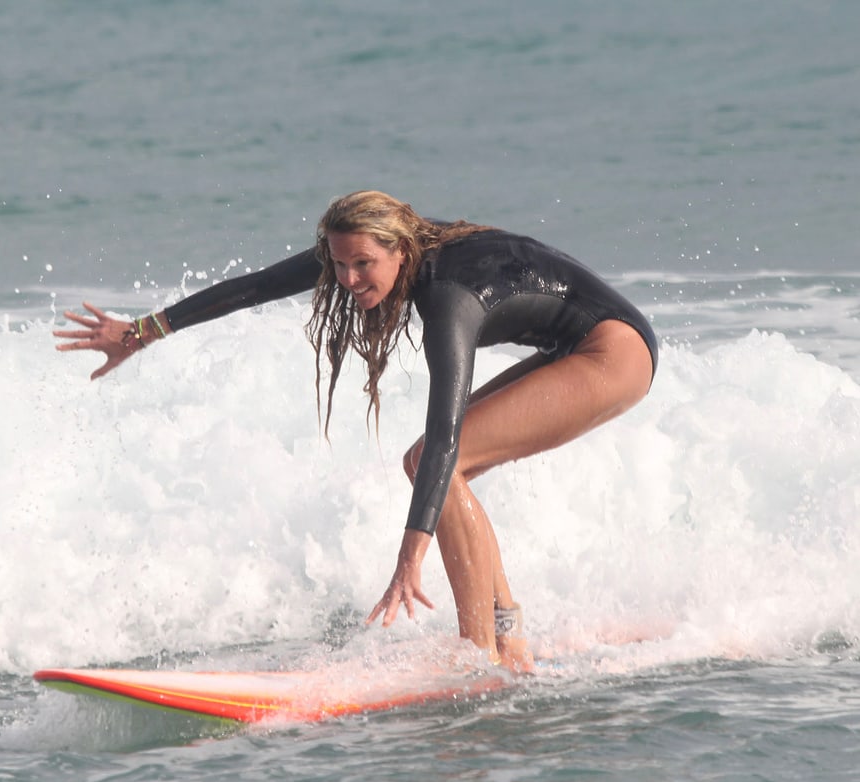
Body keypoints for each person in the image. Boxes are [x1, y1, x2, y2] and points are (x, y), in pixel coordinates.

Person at [54, 190, 658, 671]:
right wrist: (144, 331)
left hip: (613, 354)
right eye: (339, 264)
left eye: (363, 264)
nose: (348, 279)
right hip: (577, 343)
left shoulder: (450, 298)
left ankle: (481, 655)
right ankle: (508, 639)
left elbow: (446, 435)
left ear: (398, 249)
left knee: (436, 461)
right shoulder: (381, 248)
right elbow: (253, 288)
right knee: (426, 463)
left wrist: (408, 558)